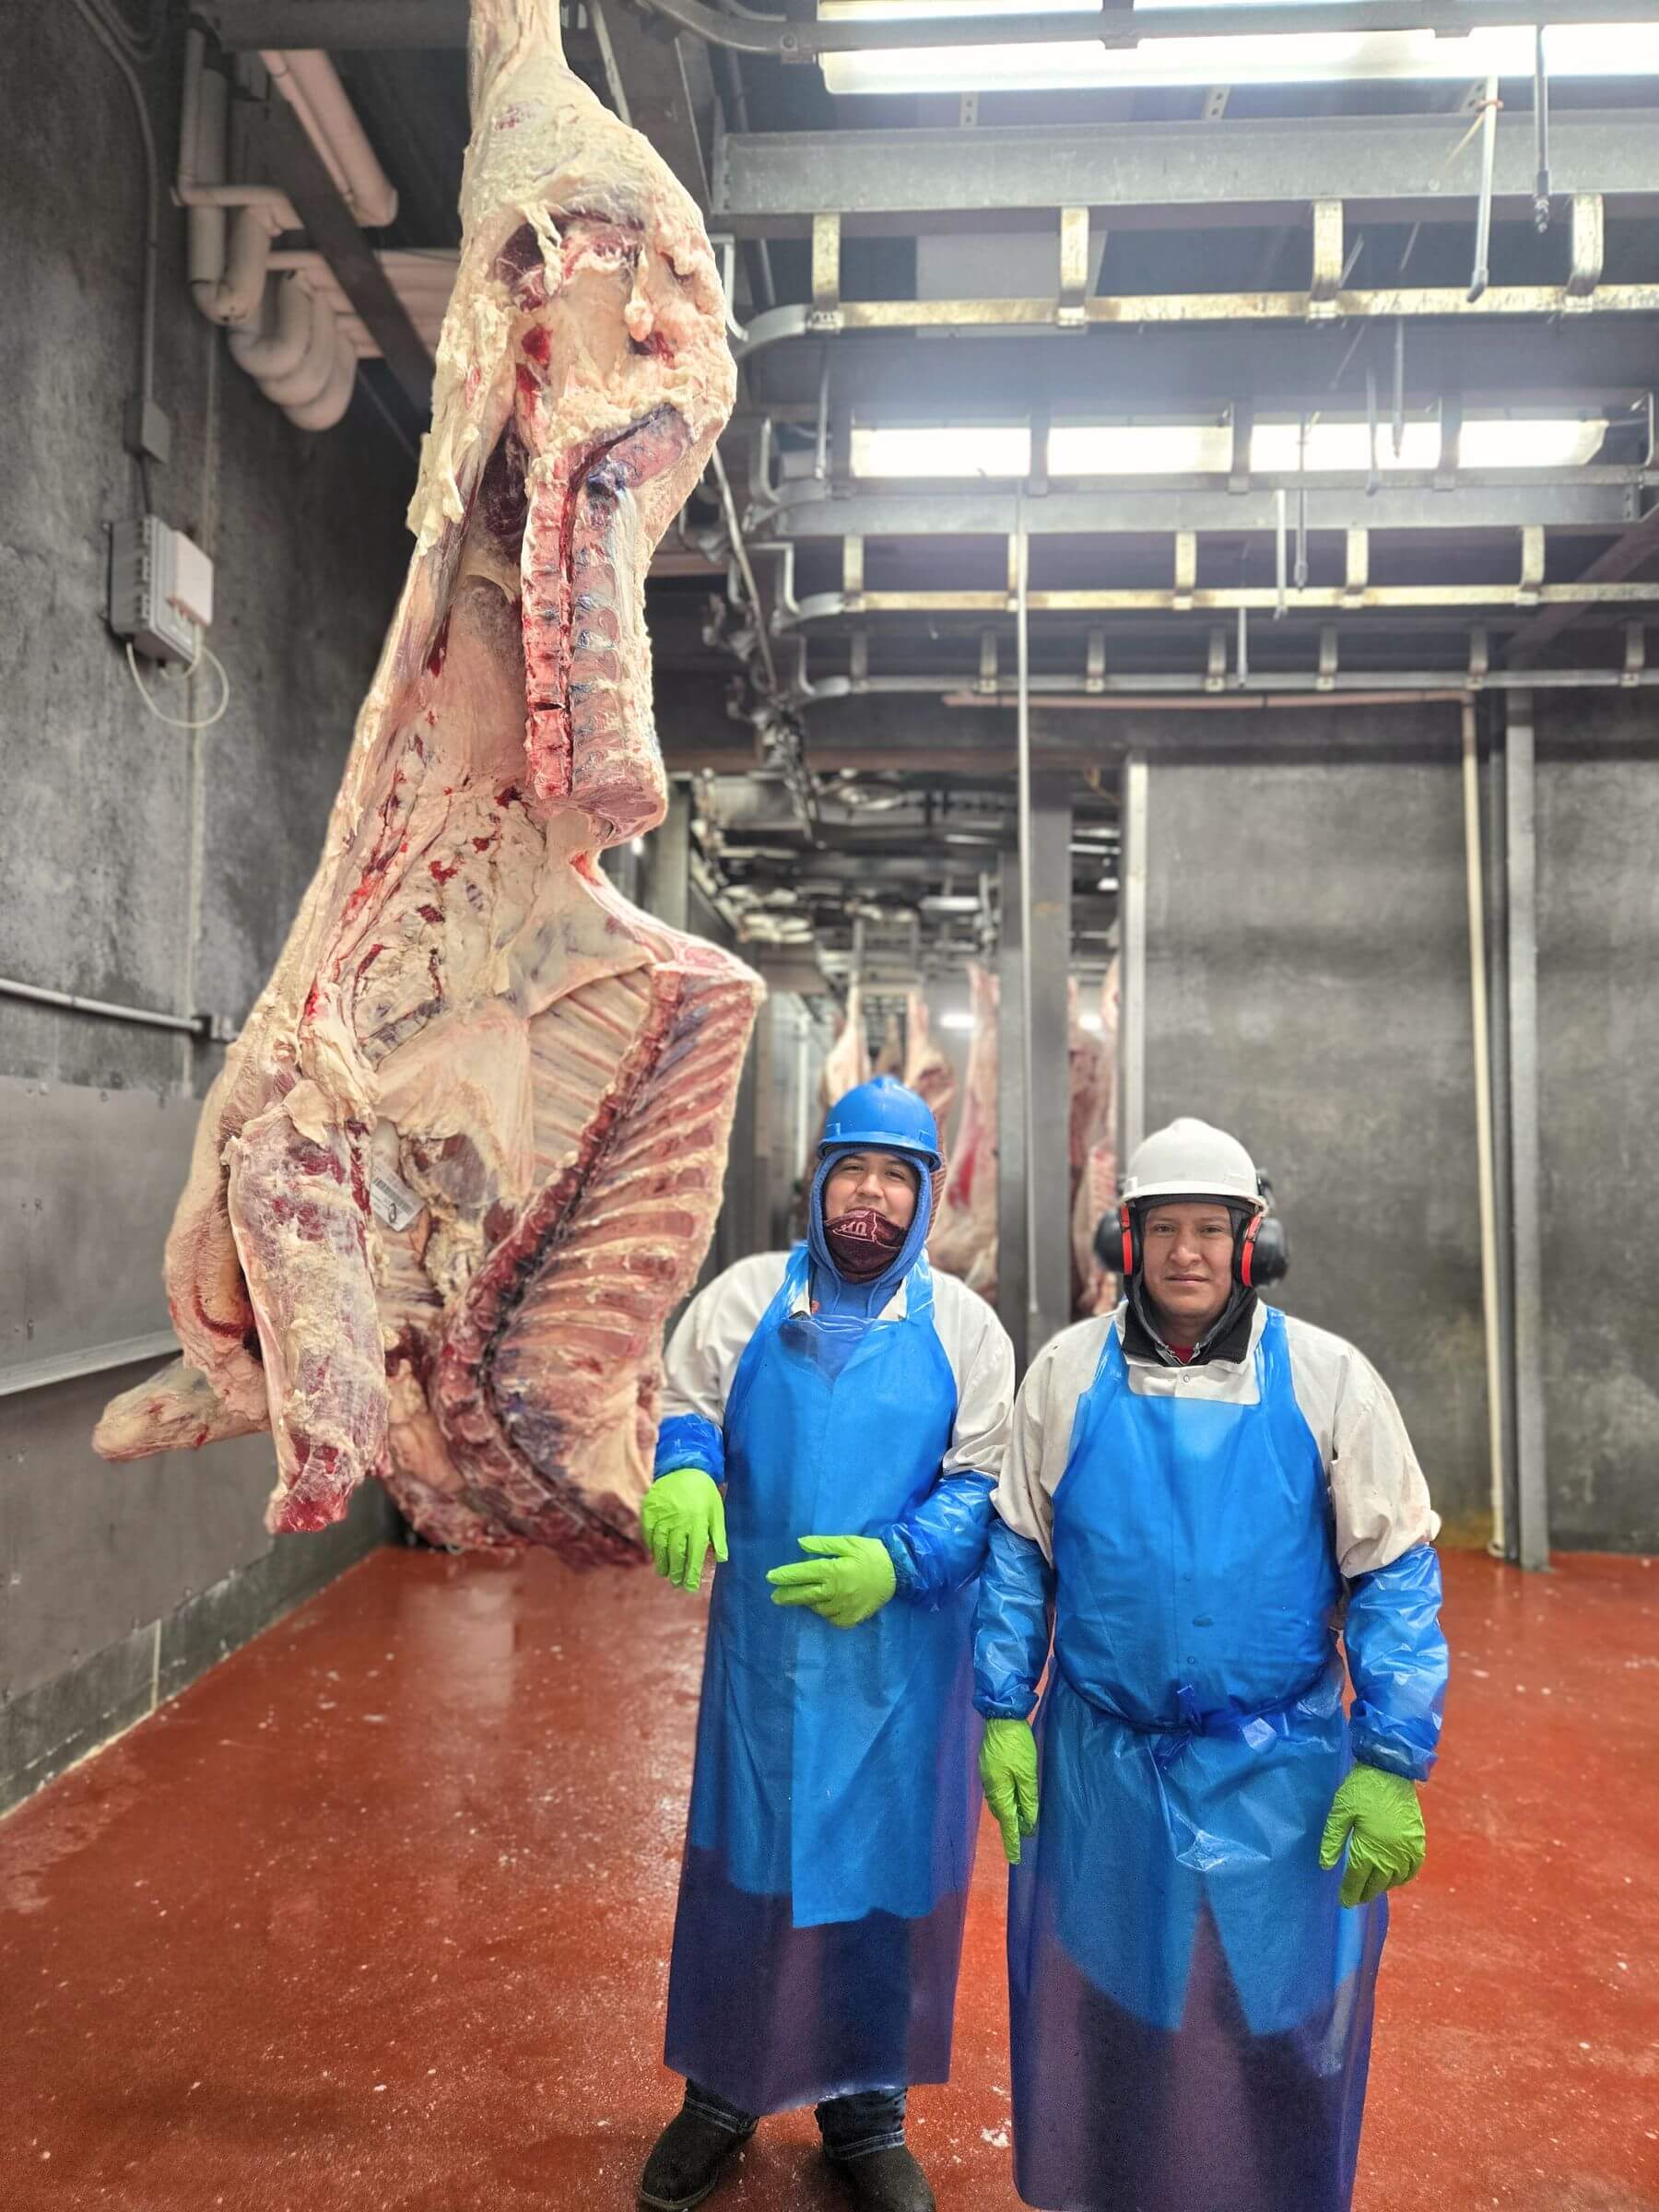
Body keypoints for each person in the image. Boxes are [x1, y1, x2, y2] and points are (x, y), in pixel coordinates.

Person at [974, 1117, 1448, 2212]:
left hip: (1280, 1774)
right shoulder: (1065, 1373)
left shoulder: (1331, 1379)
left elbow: (1392, 1576)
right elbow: (1017, 1553)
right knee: (1113, 2000)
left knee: (1272, 2011)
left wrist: (1390, 1754)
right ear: (1124, 1240)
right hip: (1103, 1766)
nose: (1185, 1253)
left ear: (1250, 1244)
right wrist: (1004, 1704)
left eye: (1210, 1229)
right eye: (1162, 1229)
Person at [639, 1076, 1016, 2212]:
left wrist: (896, 1561)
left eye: (895, 1177)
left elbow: (982, 1486)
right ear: (819, 1181)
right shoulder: (747, 1296)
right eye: (852, 1170)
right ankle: (720, 2096)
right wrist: (685, 1471)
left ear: (926, 1197)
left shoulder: (965, 1328)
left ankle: (866, 2111)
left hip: (901, 1670)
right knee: (746, 1867)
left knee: (885, 1879)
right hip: (763, 1663)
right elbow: (690, 1408)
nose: (870, 1196)